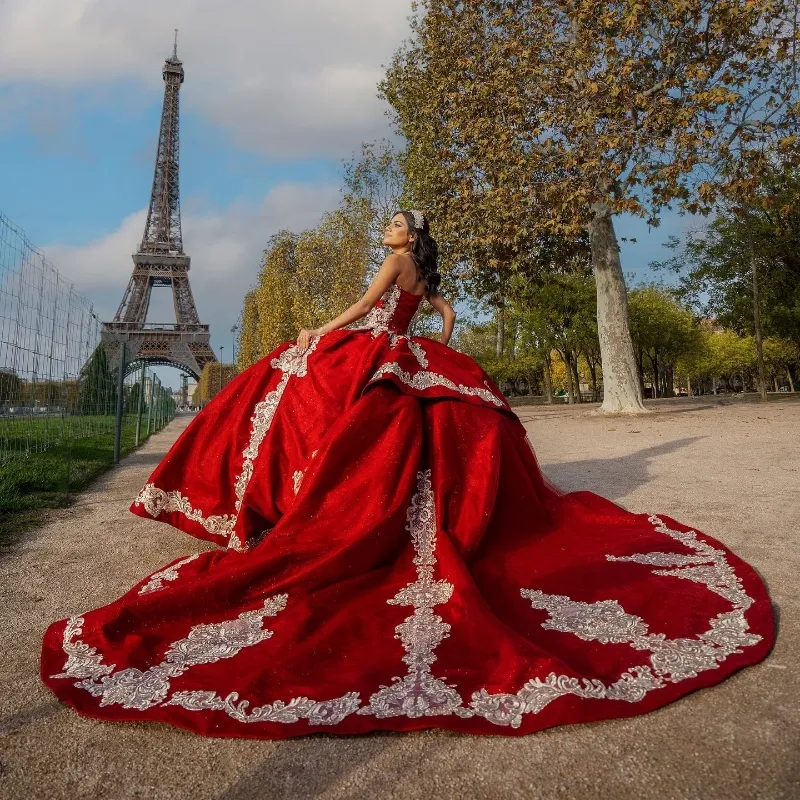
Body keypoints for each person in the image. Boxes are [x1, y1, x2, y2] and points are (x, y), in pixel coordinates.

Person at [41, 210, 773, 740]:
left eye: (393, 224)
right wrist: (439, 335)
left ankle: (264, 499)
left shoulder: (393, 265)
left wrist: (316, 333)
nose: (386, 231)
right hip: (407, 351)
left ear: (406, 237)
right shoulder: (423, 272)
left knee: (286, 375)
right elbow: (438, 308)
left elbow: (364, 309)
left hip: (375, 347)